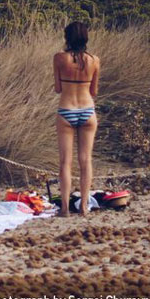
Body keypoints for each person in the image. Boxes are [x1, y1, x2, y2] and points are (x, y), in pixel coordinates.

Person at [53, 20, 99, 217]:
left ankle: (64, 208)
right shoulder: (94, 60)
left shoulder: (59, 58)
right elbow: (94, 91)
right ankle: (83, 206)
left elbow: (58, 88)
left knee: (65, 162)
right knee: (85, 160)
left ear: (67, 37)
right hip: (87, 110)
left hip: (66, 110)